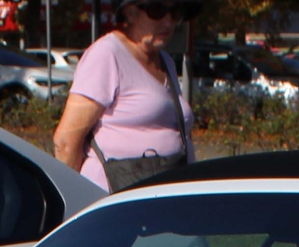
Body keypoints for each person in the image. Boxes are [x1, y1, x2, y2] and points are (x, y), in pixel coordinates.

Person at [52, 0, 195, 192]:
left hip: (159, 196)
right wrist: (70, 200)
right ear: (130, 13)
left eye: (176, 12)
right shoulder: (107, 54)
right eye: (157, 11)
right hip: (112, 199)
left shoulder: (165, 60)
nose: (169, 22)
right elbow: (66, 142)